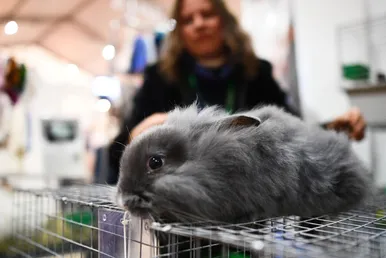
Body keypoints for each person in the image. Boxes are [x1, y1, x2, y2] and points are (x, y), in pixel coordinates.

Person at [107, 0, 366, 184]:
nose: (198, 24)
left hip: (247, 209)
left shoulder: (256, 73)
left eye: (207, 14)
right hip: (180, 216)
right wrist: (140, 134)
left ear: (223, 20)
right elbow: (116, 151)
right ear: (181, 33)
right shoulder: (159, 78)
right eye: (188, 19)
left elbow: (290, 130)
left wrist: (331, 128)